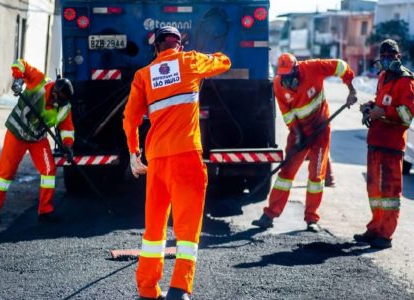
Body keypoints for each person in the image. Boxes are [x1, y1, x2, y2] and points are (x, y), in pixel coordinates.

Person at [123, 26, 231, 300]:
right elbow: (224, 61)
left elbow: (130, 119)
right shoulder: (191, 60)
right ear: (178, 45)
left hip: (157, 159)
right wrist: (208, 55)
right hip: (186, 157)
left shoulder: (143, 75)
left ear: (156, 48)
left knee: (154, 227)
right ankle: (180, 288)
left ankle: (147, 288)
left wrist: (134, 152)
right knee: (187, 226)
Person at [252, 53, 357, 233]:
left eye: (289, 76)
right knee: (285, 174)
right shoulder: (278, 84)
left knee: (316, 177)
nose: (286, 80)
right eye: (283, 76)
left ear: (297, 69)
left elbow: (341, 66)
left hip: (320, 130)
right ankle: (269, 216)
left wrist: (351, 89)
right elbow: (288, 114)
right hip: (298, 132)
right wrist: (298, 135)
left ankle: (311, 219)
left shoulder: (313, 68)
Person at [0, 59, 75, 224]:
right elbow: (20, 64)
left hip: (37, 139)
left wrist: (68, 145)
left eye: (60, 102)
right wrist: (18, 80)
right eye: (56, 99)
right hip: (17, 134)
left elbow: (67, 127)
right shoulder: (39, 81)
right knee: (5, 174)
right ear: (53, 90)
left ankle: (45, 211)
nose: (56, 104)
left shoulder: (64, 107)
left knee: (49, 170)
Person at [355, 39, 414, 249]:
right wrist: (370, 107)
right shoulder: (383, 76)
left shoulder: (406, 80)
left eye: (392, 56)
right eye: (385, 56)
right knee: (374, 190)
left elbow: (407, 114)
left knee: (389, 192)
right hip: (375, 142)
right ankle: (375, 228)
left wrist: (383, 113)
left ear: (399, 57)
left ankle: (385, 235)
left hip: (391, 145)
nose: (388, 59)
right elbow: (381, 101)